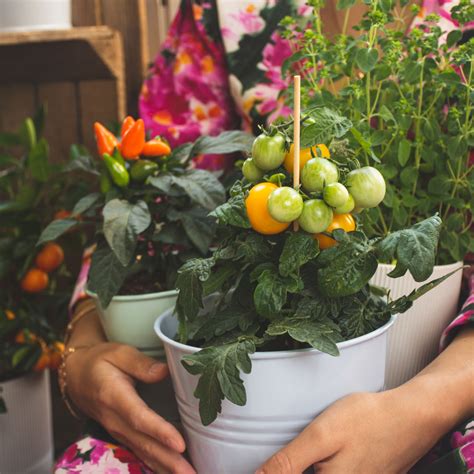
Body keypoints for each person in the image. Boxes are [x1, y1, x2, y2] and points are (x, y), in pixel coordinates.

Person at [56, 1, 473, 472]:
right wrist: (83, 350)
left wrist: (426, 407)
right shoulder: (224, 10)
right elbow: (148, 193)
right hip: (244, 390)